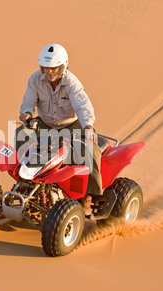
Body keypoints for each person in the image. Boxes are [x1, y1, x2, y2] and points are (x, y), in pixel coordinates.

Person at [16, 43, 103, 211]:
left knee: (90, 149)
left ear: (63, 66)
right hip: (45, 124)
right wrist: (26, 113)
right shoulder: (35, 79)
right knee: (22, 133)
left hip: (71, 125)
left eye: (53, 68)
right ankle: (24, 181)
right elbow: (28, 101)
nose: (49, 72)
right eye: (45, 68)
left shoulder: (71, 82)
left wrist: (88, 127)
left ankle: (89, 195)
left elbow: (82, 106)